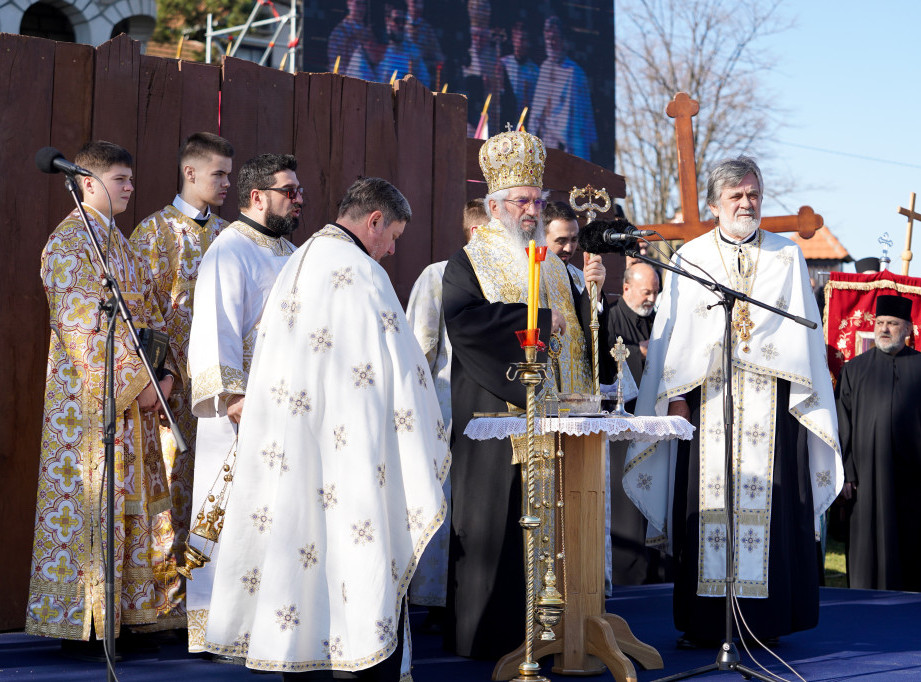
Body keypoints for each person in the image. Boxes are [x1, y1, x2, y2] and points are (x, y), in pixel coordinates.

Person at [202, 178, 449, 680]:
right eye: (393, 235)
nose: (392, 249)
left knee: (302, 558)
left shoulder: (301, 258)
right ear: (374, 220)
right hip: (350, 455)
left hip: (294, 448)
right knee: (357, 553)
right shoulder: (361, 273)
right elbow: (403, 374)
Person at [624, 156, 842, 646]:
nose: (747, 204)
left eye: (753, 194)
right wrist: (675, 397)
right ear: (715, 204)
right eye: (736, 196)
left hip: (771, 403)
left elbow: (803, 341)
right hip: (708, 406)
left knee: (774, 505)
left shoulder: (787, 256)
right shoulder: (690, 258)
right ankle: (706, 624)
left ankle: (767, 623)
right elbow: (671, 339)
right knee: (707, 507)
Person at [442, 129, 597, 660]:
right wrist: (537, 325)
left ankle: (554, 632)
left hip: (557, 422)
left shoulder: (553, 264)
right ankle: (492, 638)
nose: (531, 209)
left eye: (536, 200)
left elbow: (575, 333)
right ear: (495, 205)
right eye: (520, 201)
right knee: (496, 533)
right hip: (498, 414)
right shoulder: (472, 259)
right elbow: (463, 324)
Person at [26, 141, 176, 651]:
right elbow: (83, 330)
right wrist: (143, 383)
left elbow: (153, 316)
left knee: (134, 506)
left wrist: (166, 375)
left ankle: (131, 615)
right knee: (97, 502)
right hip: (90, 408)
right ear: (87, 182)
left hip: (137, 399)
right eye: (120, 180)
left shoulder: (122, 246)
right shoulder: (68, 244)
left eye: (132, 180)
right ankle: (89, 622)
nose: (130, 189)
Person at [185, 153, 300, 652]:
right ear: (258, 197)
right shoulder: (229, 249)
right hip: (242, 410)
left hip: (286, 409)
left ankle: (268, 624)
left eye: (298, 191)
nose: (298, 200)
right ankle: (220, 629)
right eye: (288, 191)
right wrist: (235, 398)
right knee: (230, 516)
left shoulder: (292, 250)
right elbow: (216, 327)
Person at [130, 132, 234, 631]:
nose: (226, 184)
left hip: (221, 392)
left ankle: (214, 606)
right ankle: (167, 608)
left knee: (216, 493)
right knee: (170, 492)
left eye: (230, 175)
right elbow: (139, 314)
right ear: (189, 173)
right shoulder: (152, 233)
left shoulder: (232, 235)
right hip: (170, 389)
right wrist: (159, 376)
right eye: (218, 174)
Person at [405, 200, 484, 622]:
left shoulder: (514, 276)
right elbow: (418, 350)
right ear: (475, 232)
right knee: (445, 502)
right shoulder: (437, 276)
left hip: (494, 413)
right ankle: (438, 599)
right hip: (446, 411)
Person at [836, 295, 921, 591]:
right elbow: (842, 423)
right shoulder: (854, 369)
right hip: (867, 476)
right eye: (881, 323)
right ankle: (865, 594)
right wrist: (847, 473)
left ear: (908, 329)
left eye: (893, 324)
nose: (884, 329)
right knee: (867, 540)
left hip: (914, 477)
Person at [606, 263, 673, 585]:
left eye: (656, 292)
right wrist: (637, 353)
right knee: (626, 505)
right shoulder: (609, 317)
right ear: (627, 287)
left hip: (654, 423)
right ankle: (626, 574)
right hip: (622, 424)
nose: (651, 298)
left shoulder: (656, 320)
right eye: (647, 291)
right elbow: (603, 360)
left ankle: (658, 572)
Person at [529, 16, 597, 159]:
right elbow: (537, 109)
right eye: (548, 39)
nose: (551, 43)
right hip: (548, 143)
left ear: (563, 40)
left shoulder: (575, 73)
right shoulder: (544, 68)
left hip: (569, 144)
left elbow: (585, 114)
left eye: (554, 38)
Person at [377, 1, 430, 88]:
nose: (401, 25)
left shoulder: (413, 52)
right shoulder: (376, 48)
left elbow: (425, 82)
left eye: (403, 21)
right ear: (388, 21)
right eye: (397, 21)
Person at [327, 0, 378, 80]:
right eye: (358, 3)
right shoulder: (339, 32)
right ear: (349, 3)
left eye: (363, 4)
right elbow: (336, 65)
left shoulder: (369, 32)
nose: (361, 8)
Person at [500, 21, 538, 115]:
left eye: (524, 40)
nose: (521, 44)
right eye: (519, 40)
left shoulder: (535, 71)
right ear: (513, 40)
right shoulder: (503, 64)